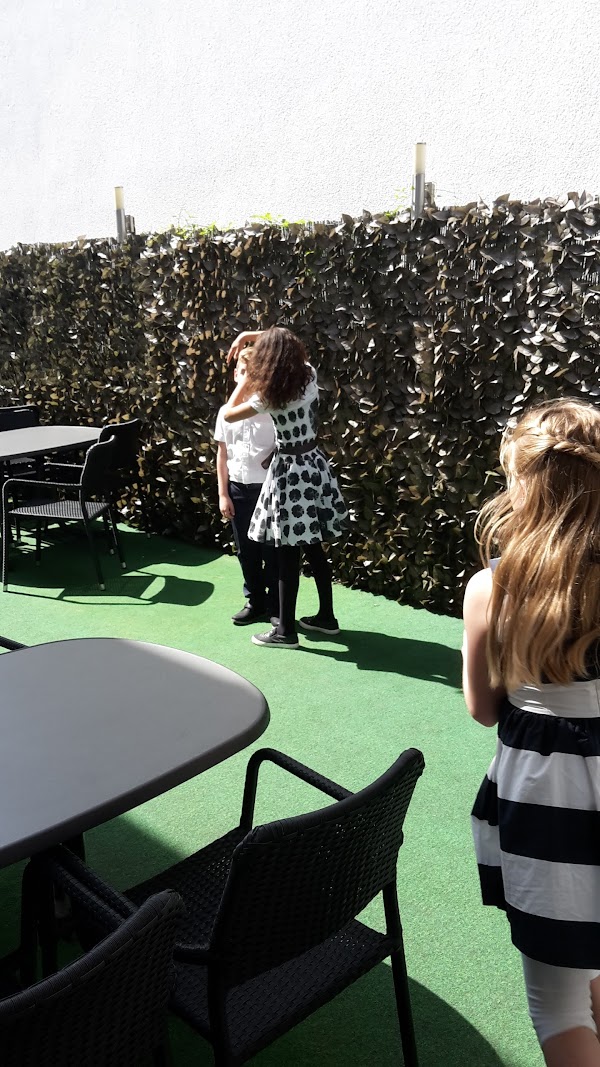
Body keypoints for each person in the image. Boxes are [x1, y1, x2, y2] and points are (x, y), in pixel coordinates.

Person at [462, 397, 600, 1067]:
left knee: (557, 998)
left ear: (522, 484)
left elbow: (483, 708)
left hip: (546, 799)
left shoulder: (493, 588)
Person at [223, 326, 349, 648]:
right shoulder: (308, 375)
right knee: (314, 547)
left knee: (287, 554)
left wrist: (246, 378)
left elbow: (228, 415)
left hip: (289, 475)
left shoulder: (268, 396)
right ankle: (327, 618)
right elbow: (280, 337)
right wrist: (249, 335)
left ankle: (285, 632)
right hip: (314, 464)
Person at [214, 348, 279, 625]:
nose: (247, 382)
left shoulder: (272, 409)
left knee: (271, 550)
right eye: (243, 374)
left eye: (254, 376)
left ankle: (276, 605)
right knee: (246, 550)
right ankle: (255, 601)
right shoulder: (225, 412)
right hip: (238, 490)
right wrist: (223, 494)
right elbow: (222, 454)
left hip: (268, 490)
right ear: (235, 375)